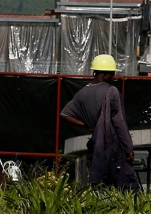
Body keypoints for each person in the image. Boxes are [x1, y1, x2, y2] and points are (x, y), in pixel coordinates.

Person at [59, 54, 140, 191]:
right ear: (104, 74)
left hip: (96, 147)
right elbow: (119, 121)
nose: (114, 77)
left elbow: (65, 114)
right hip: (113, 145)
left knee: (101, 187)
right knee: (128, 189)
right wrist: (128, 148)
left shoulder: (82, 93)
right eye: (112, 73)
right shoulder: (111, 91)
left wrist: (90, 126)